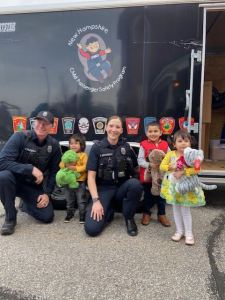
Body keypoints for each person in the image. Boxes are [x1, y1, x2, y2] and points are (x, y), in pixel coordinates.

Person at [0, 111, 61, 235]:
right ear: (34, 122)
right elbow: (2, 162)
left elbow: (55, 172)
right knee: (3, 176)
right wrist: (30, 169)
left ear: (51, 127)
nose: (41, 126)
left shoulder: (54, 146)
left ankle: (25, 204)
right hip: (14, 182)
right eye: (39, 122)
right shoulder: (20, 137)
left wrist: (47, 194)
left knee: (47, 217)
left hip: (33, 186)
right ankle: (10, 217)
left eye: (46, 123)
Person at [84, 116, 143, 237]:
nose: (114, 130)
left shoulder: (126, 147)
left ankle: (129, 218)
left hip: (121, 188)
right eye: (111, 126)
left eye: (117, 127)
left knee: (135, 184)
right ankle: (109, 210)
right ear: (106, 128)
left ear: (121, 130)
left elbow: (136, 169)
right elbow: (90, 177)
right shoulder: (97, 148)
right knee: (92, 229)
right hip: (104, 190)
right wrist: (96, 201)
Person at [159, 130, 205, 245]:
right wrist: (172, 167)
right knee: (175, 209)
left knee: (185, 210)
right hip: (173, 187)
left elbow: (197, 169)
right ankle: (179, 231)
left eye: (186, 141)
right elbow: (162, 166)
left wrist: (183, 171)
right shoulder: (171, 154)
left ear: (190, 143)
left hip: (186, 187)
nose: (183, 143)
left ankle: (189, 234)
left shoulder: (192, 154)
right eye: (180, 141)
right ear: (174, 144)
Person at [138, 122, 171, 227]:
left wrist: (167, 166)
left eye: (155, 131)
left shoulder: (165, 144)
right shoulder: (143, 144)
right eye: (150, 131)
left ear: (161, 132)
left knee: (162, 197)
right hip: (148, 176)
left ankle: (161, 214)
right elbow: (140, 160)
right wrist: (149, 165)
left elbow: (170, 158)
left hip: (162, 176)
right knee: (148, 195)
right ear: (147, 133)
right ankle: (146, 213)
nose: (153, 133)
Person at [59, 133, 88, 224]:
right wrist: (65, 165)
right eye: (71, 143)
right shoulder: (67, 154)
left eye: (76, 143)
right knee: (69, 199)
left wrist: (75, 168)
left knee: (81, 200)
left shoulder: (83, 155)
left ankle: (82, 215)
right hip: (68, 182)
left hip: (80, 182)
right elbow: (61, 165)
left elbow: (85, 167)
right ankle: (70, 213)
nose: (73, 145)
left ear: (82, 145)